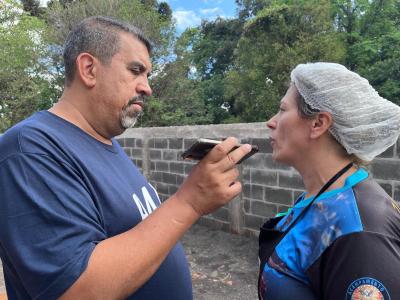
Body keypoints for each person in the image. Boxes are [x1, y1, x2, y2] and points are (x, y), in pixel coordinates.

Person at [0, 16, 252, 299]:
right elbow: (76, 290)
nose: (147, 87)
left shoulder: (106, 142)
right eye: (135, 70)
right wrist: (190, 201)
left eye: (147, 75)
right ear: (88, 69)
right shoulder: (30, 149)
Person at [258, 62, 400, 300]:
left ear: (318, 124)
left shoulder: (358, 233)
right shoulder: (320, 197)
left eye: (282, 110)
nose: (271, 122)